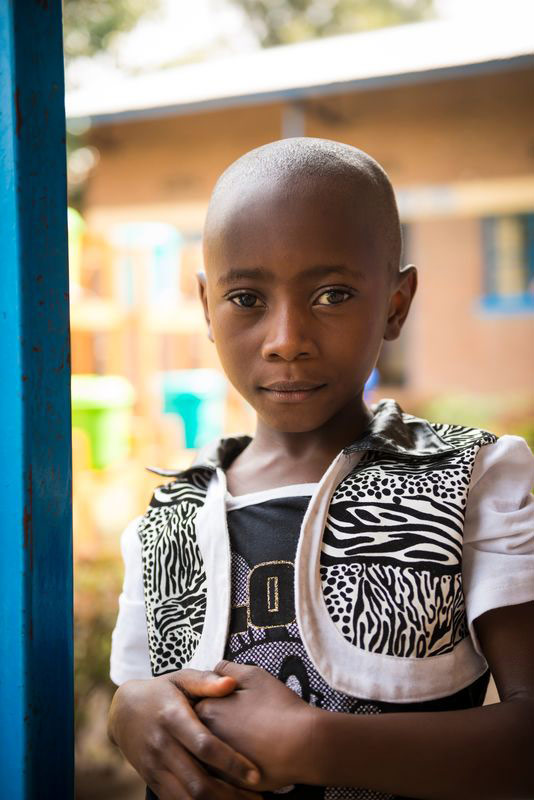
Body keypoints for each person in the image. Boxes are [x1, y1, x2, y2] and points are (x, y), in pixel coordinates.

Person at [107, 138, 534, 800]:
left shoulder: (472, 480)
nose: (286, 339)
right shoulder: (170, 522)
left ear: (395, 304)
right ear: (205, 308)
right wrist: (127, 713)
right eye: (247, 298)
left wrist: (312, 743)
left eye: (333, 294)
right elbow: (141, 695)